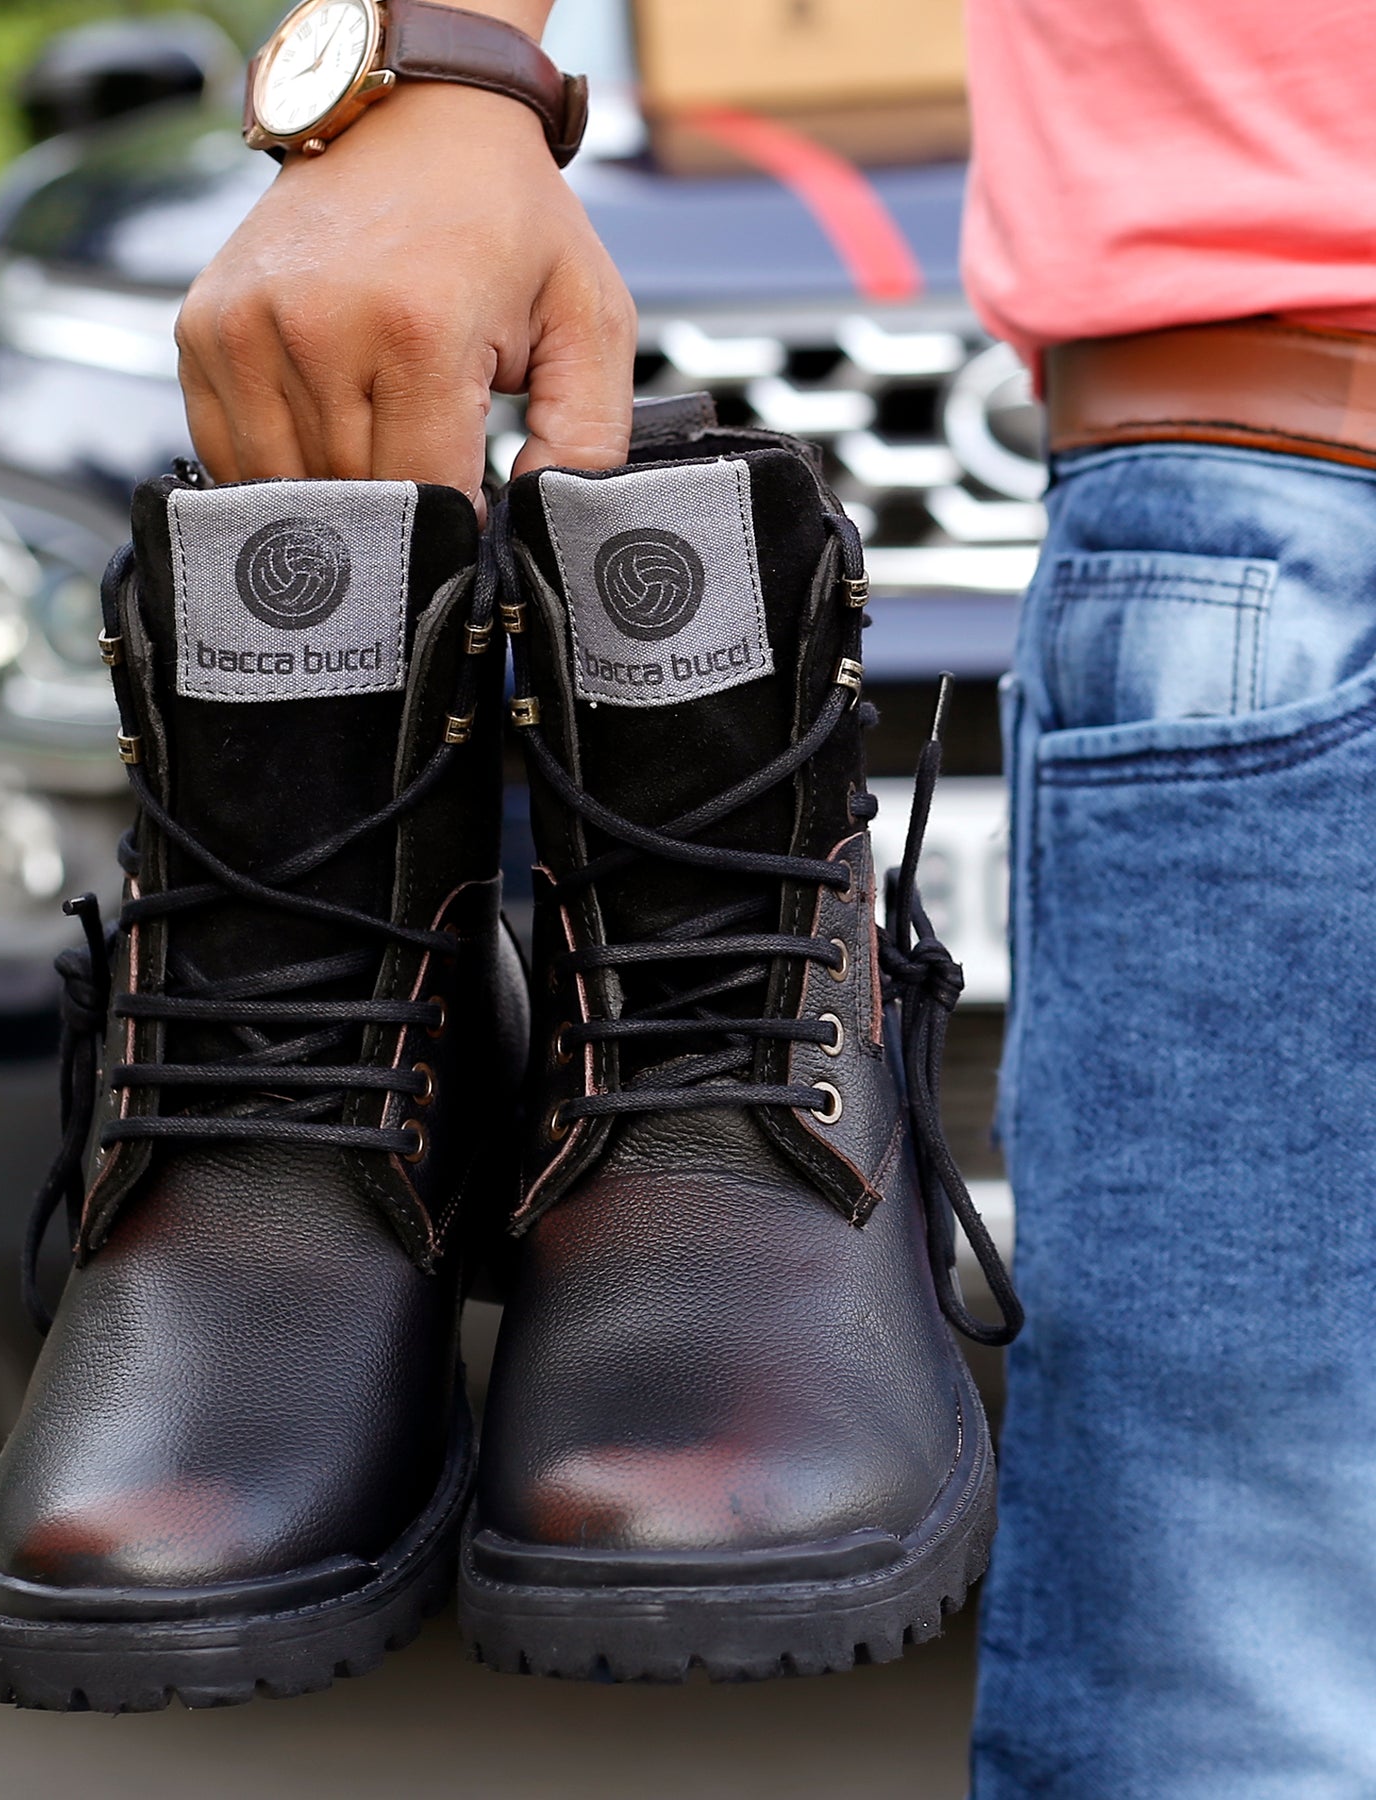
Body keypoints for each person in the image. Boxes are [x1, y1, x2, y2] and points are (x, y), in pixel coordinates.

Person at [176, 0, 1376, 1793]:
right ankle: (414, 1080)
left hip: (1281, 488)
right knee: (1243, 1688)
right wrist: (447, 65)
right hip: (1299, 433)